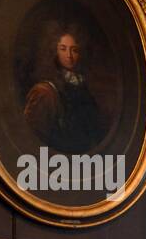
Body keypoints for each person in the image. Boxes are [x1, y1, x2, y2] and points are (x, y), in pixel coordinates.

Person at [22, 25, 106, 153]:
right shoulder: (45, 92)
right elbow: (33, 141)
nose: (69, 55)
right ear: (54, 51)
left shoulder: (81, 85)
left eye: (74, 50)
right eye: (63, 49)